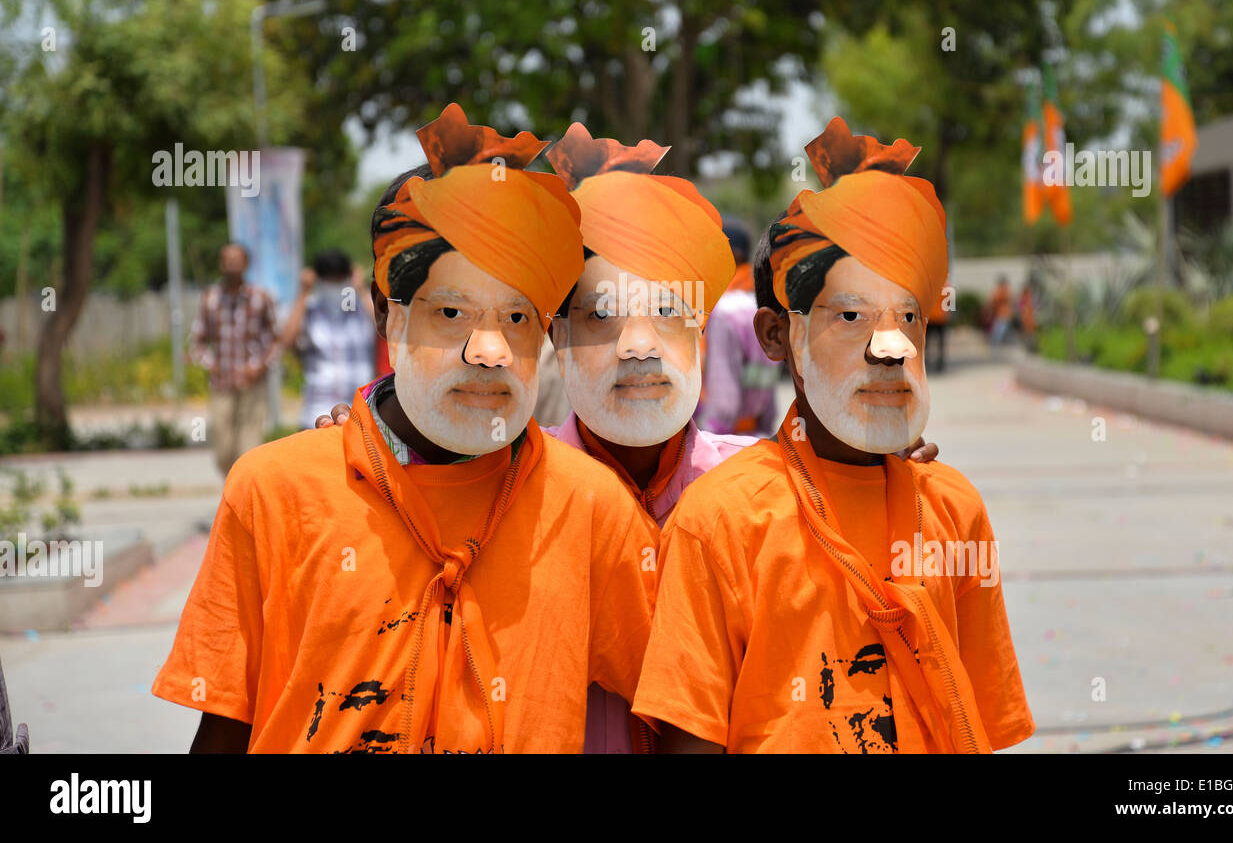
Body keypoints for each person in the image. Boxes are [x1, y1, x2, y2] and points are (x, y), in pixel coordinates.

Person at [315, 123, 942, 754]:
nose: (637, 346)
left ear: (702, 330)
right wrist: (380, 444)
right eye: (601, 316)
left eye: (668, 312)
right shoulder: (513, 496)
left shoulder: (771, 494)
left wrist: (873, 469)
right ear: (553, 331)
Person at [153, 104, 656, 753]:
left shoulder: (590, 509)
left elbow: (681, 707)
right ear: (384, 311)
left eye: (518, 317)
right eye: (451, 310)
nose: (490, 351)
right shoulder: (274, 493)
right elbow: (222, 728)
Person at [632, 117, 1034, 753]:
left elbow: (982, 722)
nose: (890, 347)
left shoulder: (955, 509)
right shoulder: (720, 520)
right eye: (850, 316)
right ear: (774, 337)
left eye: (907, 315)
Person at [189, 242, 277, 476]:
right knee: (223, 448)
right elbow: (196, 342)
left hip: (252, 385)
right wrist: (211, 364)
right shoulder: (210, 299)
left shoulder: (260, 299)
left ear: (246, 264)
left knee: (249, 449)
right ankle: (234, 490)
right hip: (221, 384)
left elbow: (274, 341)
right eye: (227, 260)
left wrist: (258, 367)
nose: (232, 265)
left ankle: (244, 502)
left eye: (236, 260)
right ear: (220, 264)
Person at [694, 217, 782, 436]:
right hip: (757, 436)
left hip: (723, 441)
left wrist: (710, 441)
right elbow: (770, 392)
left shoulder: (723, 311)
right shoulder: (762, 303)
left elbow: (724, 403)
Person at [279, 250, 376, 430]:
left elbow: (384, 330)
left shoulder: (361, 308)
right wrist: (303, 292)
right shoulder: (309, 309)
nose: (334, 286)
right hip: (317, 411)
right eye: (329, 280)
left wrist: (362, 289)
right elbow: (286, 341)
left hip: (361, 410)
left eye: (339, 280)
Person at [988, 275, 1014, 346]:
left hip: (1003, 313)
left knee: (1000, 329)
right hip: (1002, 313)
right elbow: (995, 300)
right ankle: (996, 342)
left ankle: (996, 342)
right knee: (1000, 329)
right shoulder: (1003, 290)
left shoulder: (1002, 290)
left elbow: (994, 300)